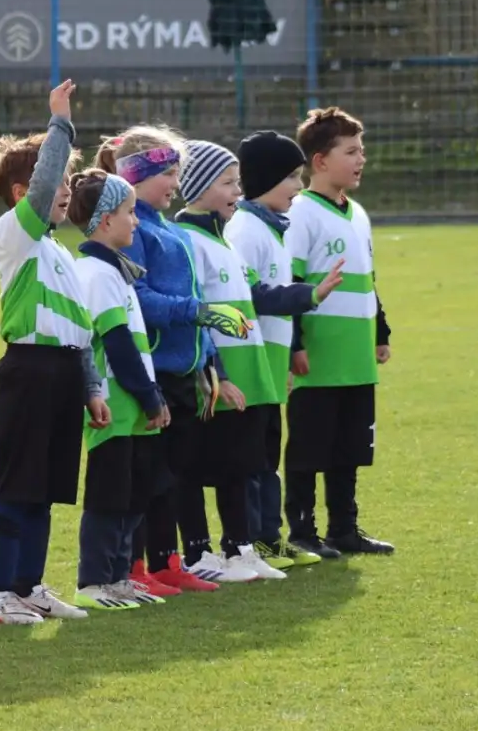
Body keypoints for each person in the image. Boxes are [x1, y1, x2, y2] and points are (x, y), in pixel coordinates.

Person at [97, 129, 251, 594]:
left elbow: (195, 297)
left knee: (173, 475)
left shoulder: (168, 229)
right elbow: (140, 298)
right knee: (148, 477)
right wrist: (196, 313)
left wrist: (211, 364)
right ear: (135, 176)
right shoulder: (135, 228)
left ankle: (168, 563)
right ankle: (137, 567)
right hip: (155, 371)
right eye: (167, 173)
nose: (175, 184)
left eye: (177, 173)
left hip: (186, 373)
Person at [0, 81, 99, 625]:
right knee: (16, 485)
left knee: (46, 490)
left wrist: (92, 385)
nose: (66, 189)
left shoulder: (57, 252)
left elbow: (81, 326)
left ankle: (28, 586)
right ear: (26, 192)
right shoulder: (15, 235)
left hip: (64, 374)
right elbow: (46, 176)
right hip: (28, 372)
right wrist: (60, 123)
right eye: (60, 182)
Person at [226, 130, 343, 568]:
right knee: (251, 455)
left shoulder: (273, 228)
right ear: (264, 180)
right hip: (248, 362)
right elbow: (249, 295)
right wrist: (307, 295)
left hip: (271, 364)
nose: (298, 186)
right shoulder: (245, 229)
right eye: (290, 177)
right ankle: (250, 539)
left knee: (267, 451)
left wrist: (288, 355)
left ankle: (268, 537)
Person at [172, 141, 286, 582]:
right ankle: (200, 553)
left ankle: (241, 549)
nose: (238, 190)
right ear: (197, 185)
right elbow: (194, 314)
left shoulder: (226, 242)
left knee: (242, 465)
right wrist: (213, 375)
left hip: (250, 375)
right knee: (200, 466)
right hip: (217, 380)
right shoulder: (188, 241)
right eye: (227, 182)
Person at [285, 108, 395, 556]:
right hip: (318, 356)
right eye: (350, 151)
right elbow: (288, 285)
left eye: (361, 151)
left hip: (355, 355)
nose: (360, 159)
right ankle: (302, 532)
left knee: (349, 447)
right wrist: (294, 343)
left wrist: (381, 330)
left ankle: (344, 529)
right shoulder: (300, 213)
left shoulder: (358, 213)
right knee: (310, 448)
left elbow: (366, 279)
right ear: (320, 160)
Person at [67, 173, 170, 611]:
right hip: (115, 405)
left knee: (134, 493)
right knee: (109, 496)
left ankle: (120, 576)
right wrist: (150, 396)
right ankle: (94, 581)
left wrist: (151, 394)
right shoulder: (96, 273)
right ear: (106, 220)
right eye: (129, 213)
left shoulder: (116, 271)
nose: (136, 221)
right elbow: (119, 346)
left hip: (135, 406)